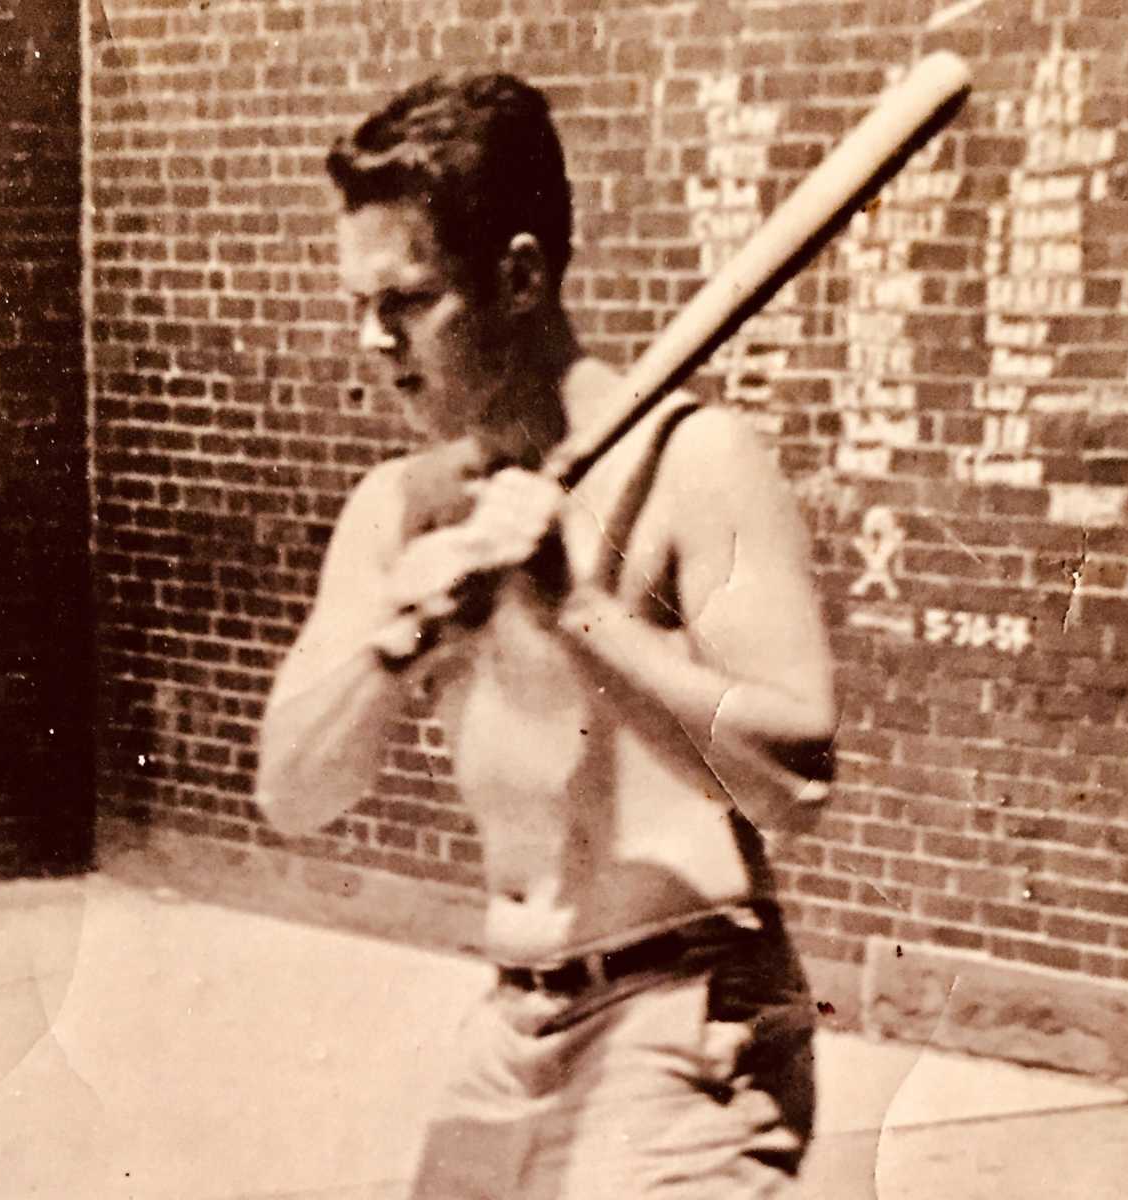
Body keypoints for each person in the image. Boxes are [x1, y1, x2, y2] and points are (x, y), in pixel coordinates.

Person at [254, 72, 837, 1199]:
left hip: (687, 1026)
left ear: (518, 275)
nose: (372, 344)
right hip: (505, 1028)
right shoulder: (404, 506)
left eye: (406, 303)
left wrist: (577, 609)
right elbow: (292, 792)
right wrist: (394, 639)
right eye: (355, 306)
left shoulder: (695, 460)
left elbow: (799, 782)